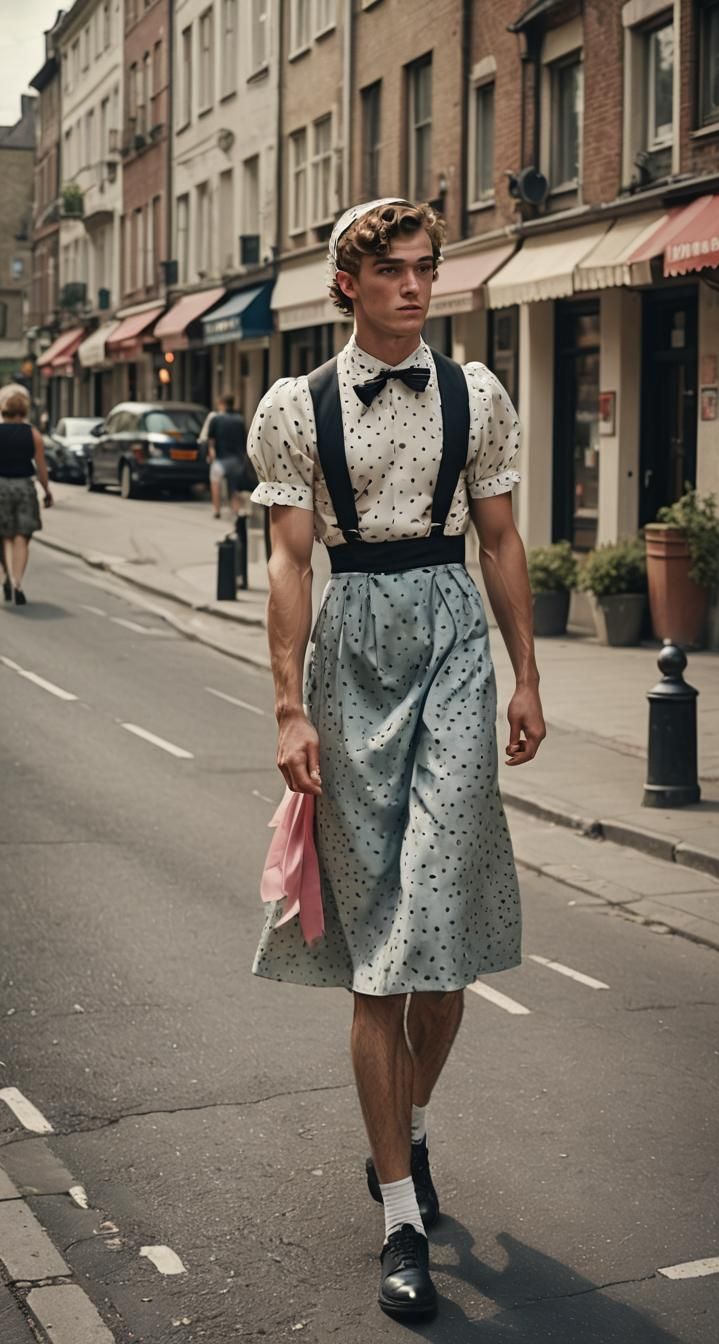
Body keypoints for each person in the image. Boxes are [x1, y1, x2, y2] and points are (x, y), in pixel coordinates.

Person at [248, 198, 545, 1320]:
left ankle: (409, 1120)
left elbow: (503, 538)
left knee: (443, 945)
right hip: (353, 653)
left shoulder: (477, 395)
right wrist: (287, 708)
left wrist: (528, 673)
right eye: (396, 273)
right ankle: (400, 1215)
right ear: (350, 287)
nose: (418, 287)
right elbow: (287, 567)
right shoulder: (295, 408)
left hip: (457, 649)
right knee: (381, 952)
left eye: (428, 270)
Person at [0, 386, 53, 605]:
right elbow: (41, 469)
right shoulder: (33, 435)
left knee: (2, 536)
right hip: (24, 487)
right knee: (22, 535)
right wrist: (47, 491)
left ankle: (4, 576)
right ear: (24, 410)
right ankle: (17, 581)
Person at [202, 393, 248, 519]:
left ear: (222, 404)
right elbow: (244, 440)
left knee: (215, 483)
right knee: (234, 487)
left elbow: (211, 439)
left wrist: (211, 452)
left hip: (221, 459)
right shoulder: (239, 420)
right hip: (237, 460)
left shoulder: (216, 419)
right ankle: (236, 511)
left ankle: (217, 510)